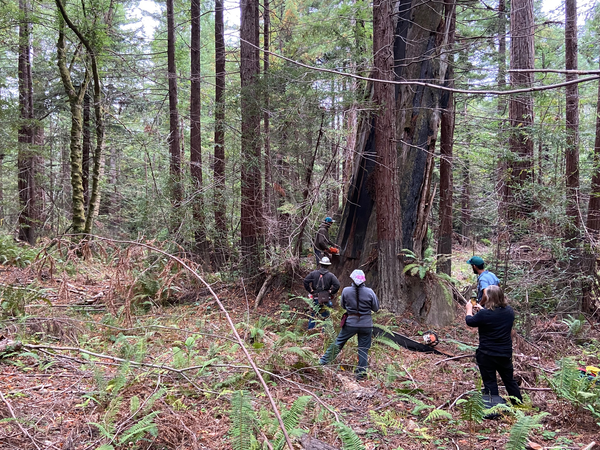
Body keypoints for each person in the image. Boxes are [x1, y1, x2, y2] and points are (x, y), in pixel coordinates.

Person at [465, 284, 523, 404]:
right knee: (509, 380)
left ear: (489, 298)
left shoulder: (484, 315)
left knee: (490, 382)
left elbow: (470, 321)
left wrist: (469, 310)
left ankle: (494, 408)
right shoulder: (509, 312)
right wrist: (482, 310)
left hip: (487, 354)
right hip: (504, 354)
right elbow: (495, 316)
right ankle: (519, 405)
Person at [319, 269, 379, 380]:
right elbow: (376, 308)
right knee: (363, 349)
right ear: (363, 280)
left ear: (352, 278)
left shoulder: (346, 291)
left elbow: (343, 306)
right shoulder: (370, 292)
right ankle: (361, 374)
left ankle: (322, 362)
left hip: (350, 323)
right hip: (366, 325)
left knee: (339, 342)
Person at [303, 256, 340, 329]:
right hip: (326, 299)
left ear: (320, 264)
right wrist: (331, 292)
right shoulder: (331, 276)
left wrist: (310, 291)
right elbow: (337, 285)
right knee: (326, 317)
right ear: (328, 266)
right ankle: (325, 334)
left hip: (315, 298)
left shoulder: (313, 274)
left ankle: (310, 332)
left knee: (312, 316)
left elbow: (305, 281)